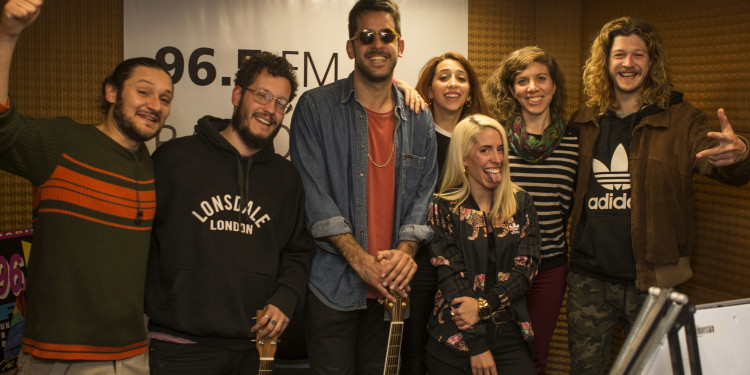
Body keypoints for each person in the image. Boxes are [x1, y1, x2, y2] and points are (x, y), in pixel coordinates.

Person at [567, 16, 750, 374]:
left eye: (639, 54)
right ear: (605, 62)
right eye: (619, 54)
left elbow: (721, 163)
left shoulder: (683, 120)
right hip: (589, 279)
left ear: (653, 63)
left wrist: (740, 154)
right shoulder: (584, 118)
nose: (628, 64)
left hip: (655, 281)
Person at [0, 0, 173, 373]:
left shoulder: (152, 168)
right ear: (112, 93)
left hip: (129, 357)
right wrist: (8, 35)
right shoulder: (63, 142)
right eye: (144, 92)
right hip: (54, 357)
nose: (155, 105)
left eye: (165, 98)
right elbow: (2, 128)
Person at [288, 0, 437, 373]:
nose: (377, 43)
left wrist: (404, 254)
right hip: (332, 287)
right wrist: (361, 262)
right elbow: (313, 196)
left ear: (400, 46)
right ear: (351, 47)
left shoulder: (420, 118)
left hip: (392, 291)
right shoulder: (315, 108)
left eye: (386, 35)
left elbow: (424, 195)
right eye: (366, 36)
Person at [145, 51, 314, 374]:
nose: (270, 110)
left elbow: (297, 253)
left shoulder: (286, 178)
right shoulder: (173, 160)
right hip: (179, 347)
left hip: (253, 348)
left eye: (281, 103)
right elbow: (138, 239)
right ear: (237, 95)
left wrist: (285, 299)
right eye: (262, 95)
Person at [483, 46, 578, 375]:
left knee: (535, 356)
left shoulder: (575, 141)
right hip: (499, 265)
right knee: (490, 353)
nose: (533, 87)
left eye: (541, 78)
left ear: (554, 85)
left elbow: (567, 208)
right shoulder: (496, 139)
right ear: (511, 89)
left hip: (550, 268)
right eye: (522, 80)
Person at [425, 114, 539, 375]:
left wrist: (484, 306)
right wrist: (477, 346)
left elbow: (526, 270)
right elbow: (451, 278)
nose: (496, 159)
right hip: (455, 337)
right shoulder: (442, 206)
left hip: (509, 331)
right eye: (485, 150)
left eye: (500, 149)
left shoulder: (521, 203)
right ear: (464, 158)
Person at [400, 51, 489, 375]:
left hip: (466, 262)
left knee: (460, 350)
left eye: (461, 78)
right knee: (413, 349)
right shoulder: (412, 130)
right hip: (421, 260)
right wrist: (401, 86)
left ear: (469, 91)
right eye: (444, 77)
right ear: (429, 89)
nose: (453, 84)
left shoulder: (481, 140)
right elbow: (379, 88)